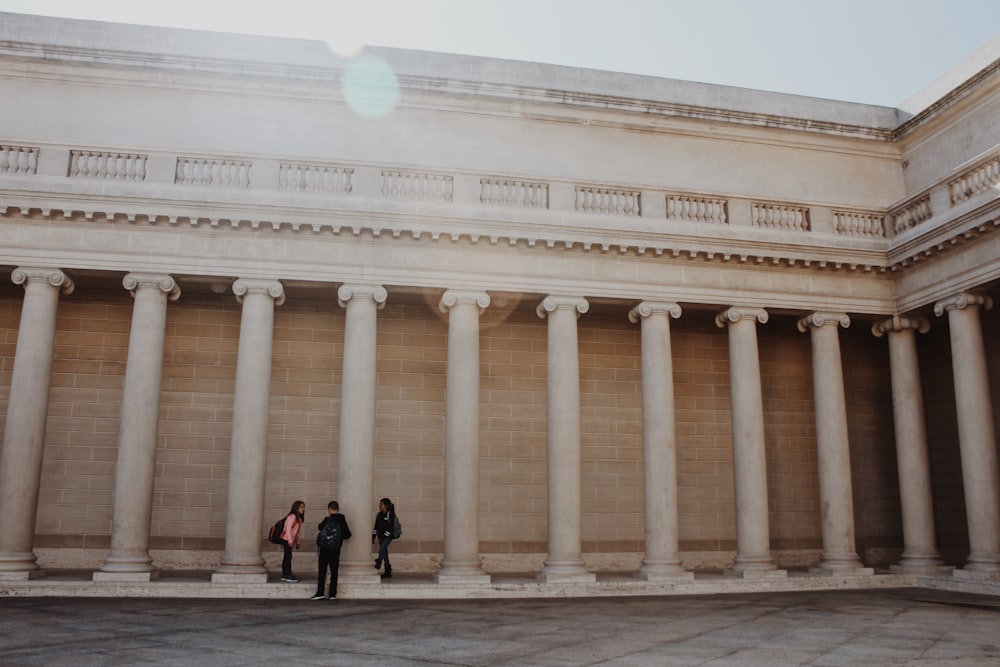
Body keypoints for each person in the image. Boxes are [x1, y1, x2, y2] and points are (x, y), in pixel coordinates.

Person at [312, 500, 351, 600]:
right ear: (337, 509)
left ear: (329, 509)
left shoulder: (327, 519)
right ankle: (332, 594)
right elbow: (347, 534)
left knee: (322, 571)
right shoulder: (342, 520)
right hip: (335, 550)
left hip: (324, 549)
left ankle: (320, 592)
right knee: (334, 572)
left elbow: (320, 527)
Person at [280, 500, 305, 582]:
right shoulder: (292, 517)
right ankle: (288, 574)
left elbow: (298, 531)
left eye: (303, 507)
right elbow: (288, 529)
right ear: (296, 508)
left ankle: (285, 574)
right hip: (286, 539)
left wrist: (297, 542)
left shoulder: (299, 518)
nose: (303, 509)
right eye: (301, 507)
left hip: (290, 540)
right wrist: (290, 541)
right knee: (288, 556)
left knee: (287, 556)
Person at [372, 497, 396, 578]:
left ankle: (378, 562)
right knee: (384, 553)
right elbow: (376, 527)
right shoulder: (379, 515)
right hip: (380, 537)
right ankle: (387, 572)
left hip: (387, 536)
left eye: (381, 504)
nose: (380, 505)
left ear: (386, 505)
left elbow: (390, 527)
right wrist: (373, 537)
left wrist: (385, 536)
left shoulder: (390, 514)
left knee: (382, 549)